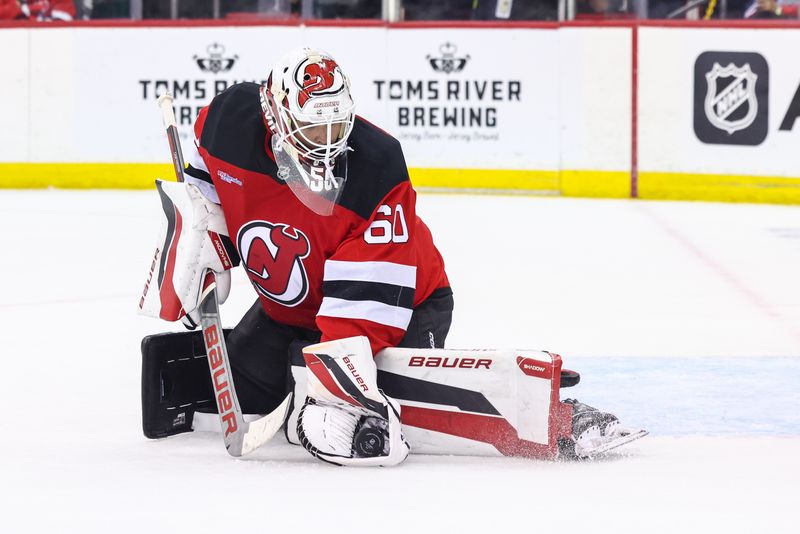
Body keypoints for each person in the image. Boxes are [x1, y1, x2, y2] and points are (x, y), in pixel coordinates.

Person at [141, 47, 642, 466]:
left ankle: (557, 418)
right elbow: (208, 181)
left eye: (338, 125)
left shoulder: (376, 169)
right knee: (249, 393)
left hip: (402, 306)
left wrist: (330, 382)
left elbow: (366, 303)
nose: (328, 142)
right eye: (314, 130)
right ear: (274, 117)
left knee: (365, 415)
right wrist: (206, 240)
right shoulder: (230, 120)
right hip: (293, 311)